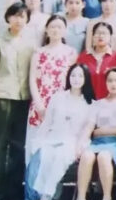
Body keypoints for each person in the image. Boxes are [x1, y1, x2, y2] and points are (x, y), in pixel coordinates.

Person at [24, 64, 95, 200]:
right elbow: (47, 122)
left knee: (59, 159)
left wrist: (79, 146)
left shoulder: (90, 103)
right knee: (45, 157)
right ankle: (36, 198)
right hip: (52, 137)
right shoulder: (58, 97)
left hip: (73, 142)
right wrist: (39, 141)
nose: (76, 79)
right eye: (73, 75)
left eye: (80, 76)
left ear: (86, 79)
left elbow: (87, 130)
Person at [74, 67, 116, 200]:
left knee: (104, 156)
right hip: (97, 142)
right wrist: (81, 143)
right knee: (86, 155)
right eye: (110, 80)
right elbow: (89, 127)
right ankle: (81, 199)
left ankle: (107, 199)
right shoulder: (98, 104)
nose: (113, 84)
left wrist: (101, 131)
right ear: (106, 83)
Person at [26, 16, 78, 163]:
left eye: (59, 27)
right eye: (52, 27)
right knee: (35, 149)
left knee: (56, 154)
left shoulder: (71, 53)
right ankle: (32, 185)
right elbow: (32, 80)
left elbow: (73, 81)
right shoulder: (38, 53)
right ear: (47, 30)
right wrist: (39, 105)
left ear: (65, 31)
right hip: (40, 104)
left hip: (62, 106)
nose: (56, 30)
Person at [77, 22, 116, 100]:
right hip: (86, 102)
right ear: (93, 36)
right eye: (97, 33)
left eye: (104, 33)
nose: (101, 36)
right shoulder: (83, 57)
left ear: (110, 37)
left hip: (109, 102)